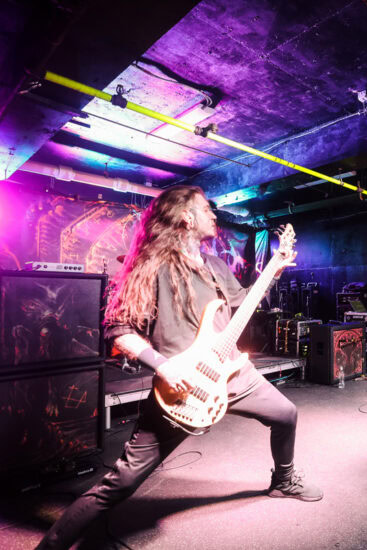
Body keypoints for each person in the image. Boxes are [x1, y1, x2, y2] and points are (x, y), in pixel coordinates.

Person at [37, 186, 322, 550]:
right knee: (122, 482)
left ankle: (283, 481)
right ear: (186, 217)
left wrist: (275, 269)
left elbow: (245, 302)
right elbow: (118, 330)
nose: (213, 215)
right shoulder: (152, 266)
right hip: (183, 386)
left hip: (232, 372)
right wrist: (164, 367)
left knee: (286, 414)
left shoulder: (216, 266)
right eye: (206, 209)